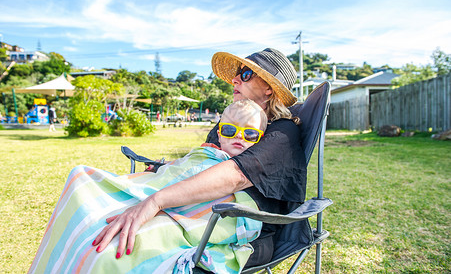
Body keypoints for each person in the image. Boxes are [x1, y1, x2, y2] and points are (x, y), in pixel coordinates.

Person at [91, 48, 306, 268]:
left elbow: (236, 175)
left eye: (245, 74)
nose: (234, 79)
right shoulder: (227, 123)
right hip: (193, 209)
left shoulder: (282, 132)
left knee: (122, 244)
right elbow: (204, 162)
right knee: (94, 205)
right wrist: (165, 170)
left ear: (269, 88)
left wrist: (155, 201)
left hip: (235, 228)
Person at [29, 99, 268, 273]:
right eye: (229, 130)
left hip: (186, 206)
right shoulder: (208, 152)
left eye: (250, 134)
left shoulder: (239, 166)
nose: (239, 137)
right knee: (80, 179)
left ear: (261, 138)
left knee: (105, 250)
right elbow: (183, 168)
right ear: (220, 132)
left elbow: (212, 184)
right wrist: (160, 170)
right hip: (160, 191)